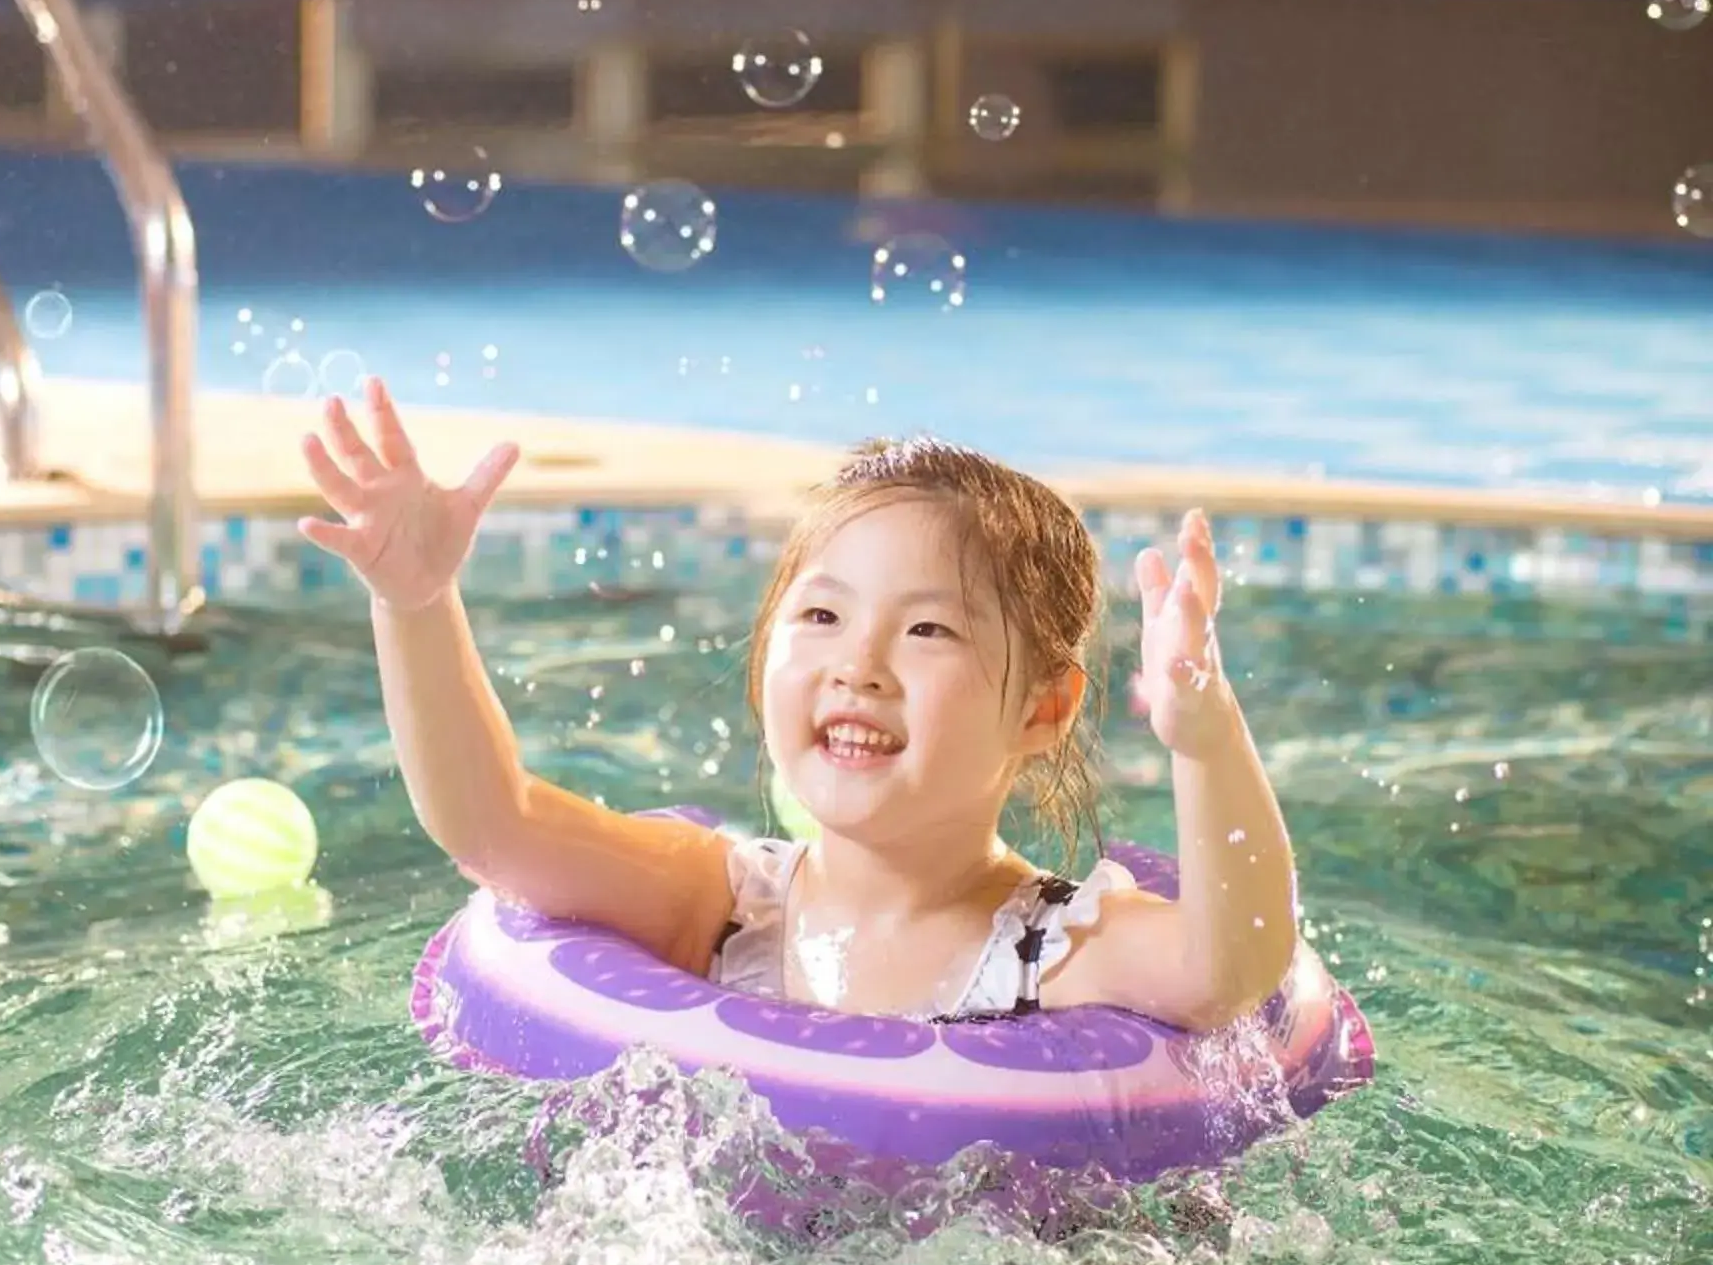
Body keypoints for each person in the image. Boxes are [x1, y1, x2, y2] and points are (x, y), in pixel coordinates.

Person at [300, 386, 1298, 1031]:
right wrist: (416, 602)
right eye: (820, 613)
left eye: (926, 632)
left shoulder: (1055, 951)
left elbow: (1226, 970)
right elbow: (492, 826)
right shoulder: (725, 905)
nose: (856, 665)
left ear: (1044, 710)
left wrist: (1204, 740)